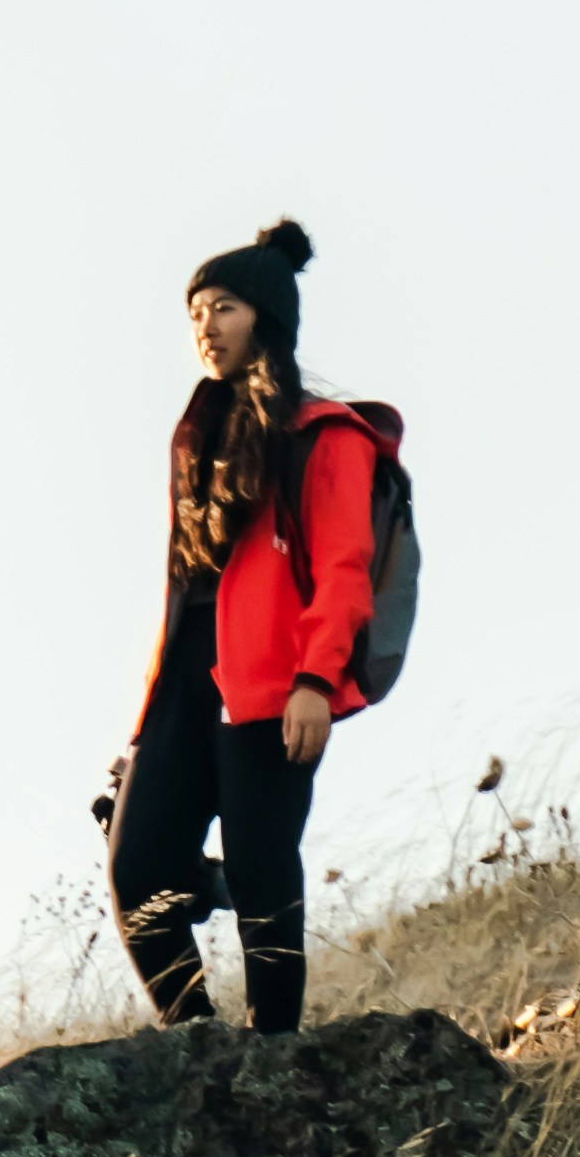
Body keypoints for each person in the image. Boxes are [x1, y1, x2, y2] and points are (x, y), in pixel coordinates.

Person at [103, 214, 393, 1037]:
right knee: (137, 874)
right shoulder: (197, 441)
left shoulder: (326, 438)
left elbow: (342, 572)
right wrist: (140, 729)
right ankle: (195, 1044)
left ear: (264, 318)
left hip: (274, 685)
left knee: (265, 876)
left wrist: (314, 681)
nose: (206, 326)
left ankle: (274, 1060)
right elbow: (183, 596)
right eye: (196, 312)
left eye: (223, 307)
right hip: (185, 686)